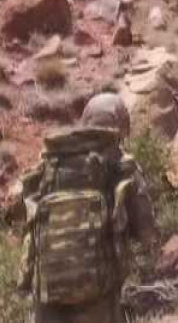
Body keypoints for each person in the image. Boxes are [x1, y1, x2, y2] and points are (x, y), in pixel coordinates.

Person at [18, 93, 155, 323]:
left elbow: (24, 220)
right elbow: (147, 233)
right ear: (122, 124)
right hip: (99, 296)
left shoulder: (49, 163)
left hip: (48, 294)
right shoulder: (121, 165)